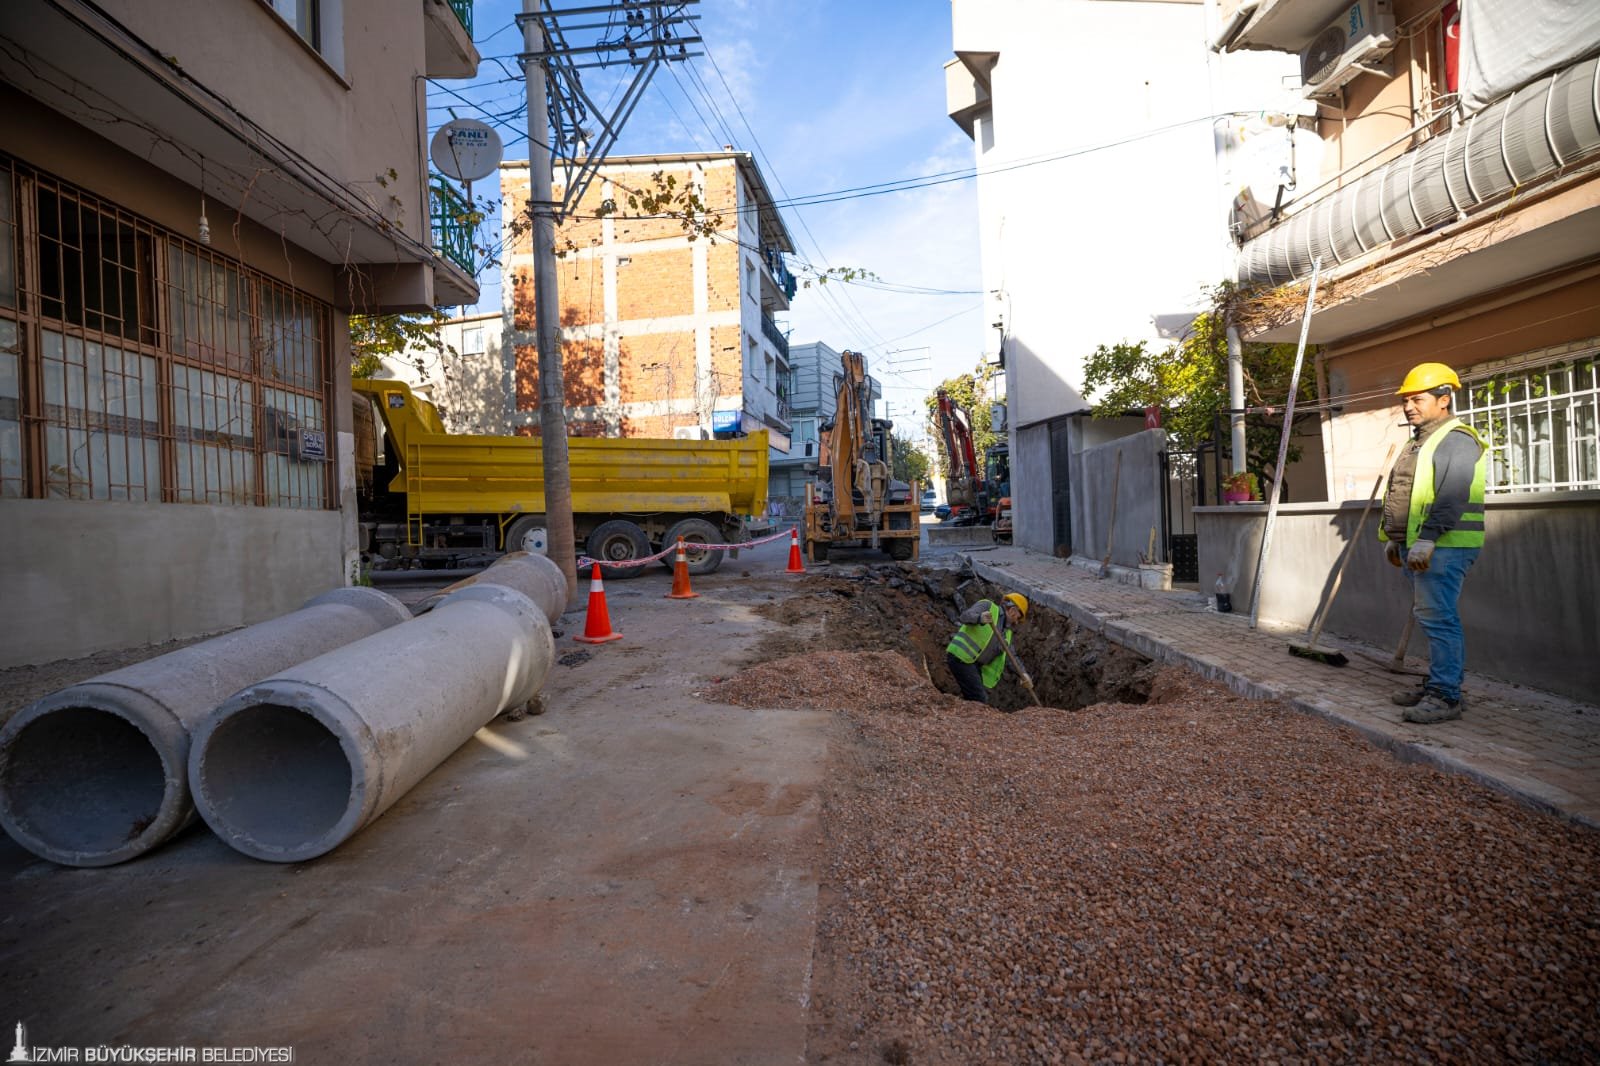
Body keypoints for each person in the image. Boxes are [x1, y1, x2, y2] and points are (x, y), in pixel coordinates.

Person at [1378, 361, 1487, 724]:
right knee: (1431, 619)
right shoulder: (1418, 441)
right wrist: (1396, 539)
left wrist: (1427, 539)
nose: (1409, 406)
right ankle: (1441, 683)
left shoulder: (1456, 439)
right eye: (1406, 400)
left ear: (1444, 399)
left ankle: (1445, 696)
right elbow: (1406, 494)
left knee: (1439, 620)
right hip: (1420, 545)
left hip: (1446, 546)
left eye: (1418, 398)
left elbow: (1452, 495)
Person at [945, 592, 1028, 706]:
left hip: (973, 664)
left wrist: (1023, 674)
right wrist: (980, 618)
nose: (1016, 622)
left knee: (977, 699)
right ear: (1013, 610)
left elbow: (1011, 656)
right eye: (1018, 618)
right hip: (961, 657)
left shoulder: (1006, 633)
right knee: (979, 700)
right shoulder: (987, 606)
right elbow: (964, 616)